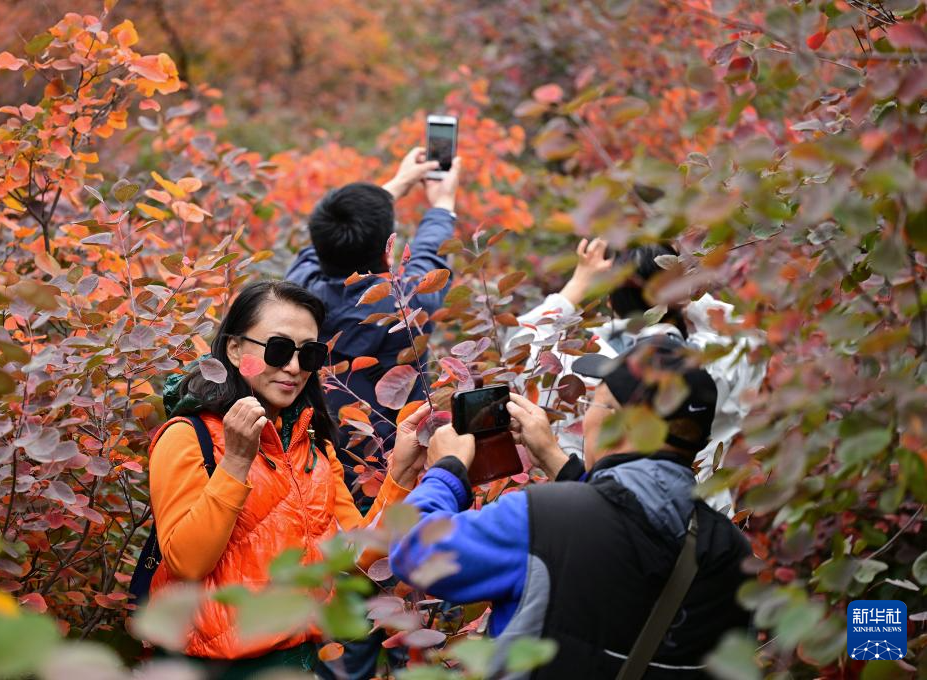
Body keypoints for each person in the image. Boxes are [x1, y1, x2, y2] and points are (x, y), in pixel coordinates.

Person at [389, 337, 753, 679]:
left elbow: (414, 550)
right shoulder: (733, 553)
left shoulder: (539, 520)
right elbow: (629, 525)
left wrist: (445, 471)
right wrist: (556, 461)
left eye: (595, 401)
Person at [148, 280, 430, 676]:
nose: (294, 368)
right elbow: (186, 563)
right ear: (234, 349)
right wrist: (235, 464)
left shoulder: (311, 445)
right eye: (278, 349)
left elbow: (352, 559)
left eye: (309, 353)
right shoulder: (187, 436)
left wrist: (399, 474)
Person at [507, 238, 764, 513]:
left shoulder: (580, 368)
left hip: (594, 516)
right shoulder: (716, 360)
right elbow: (752, 335)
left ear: (609, 299)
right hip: (700, 521)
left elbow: (520, 342)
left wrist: (580, 282)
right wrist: (688, 298)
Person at [286, 148, 461, 496]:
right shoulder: (409, 306)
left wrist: (395, 185)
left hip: (314, 471)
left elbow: (318, 246)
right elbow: (429, 255)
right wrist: (443, 204)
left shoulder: (297, 292)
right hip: (390, 473)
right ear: (388, 252)